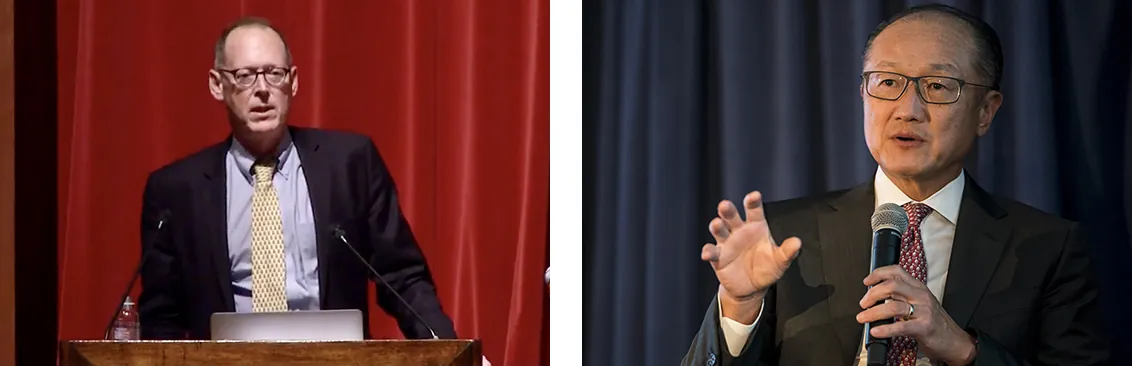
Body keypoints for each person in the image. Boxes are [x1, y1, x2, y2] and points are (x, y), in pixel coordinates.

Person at [682, 4, 1108, 366]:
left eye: (938, 86)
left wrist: (963, 349)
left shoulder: (1048, 246)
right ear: (864, 94)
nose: (908, 109)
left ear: (986, 111)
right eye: (887, 83)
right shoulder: (784, 235)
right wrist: (738, 308)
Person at [137, 17, 456, 341]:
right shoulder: (175, 191)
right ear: (217, 85)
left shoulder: (350, 164)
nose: (262, 89)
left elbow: (402, 277)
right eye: (244, 76)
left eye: (274, 74)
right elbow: (161, 318)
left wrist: (449, 351)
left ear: (293, 81)